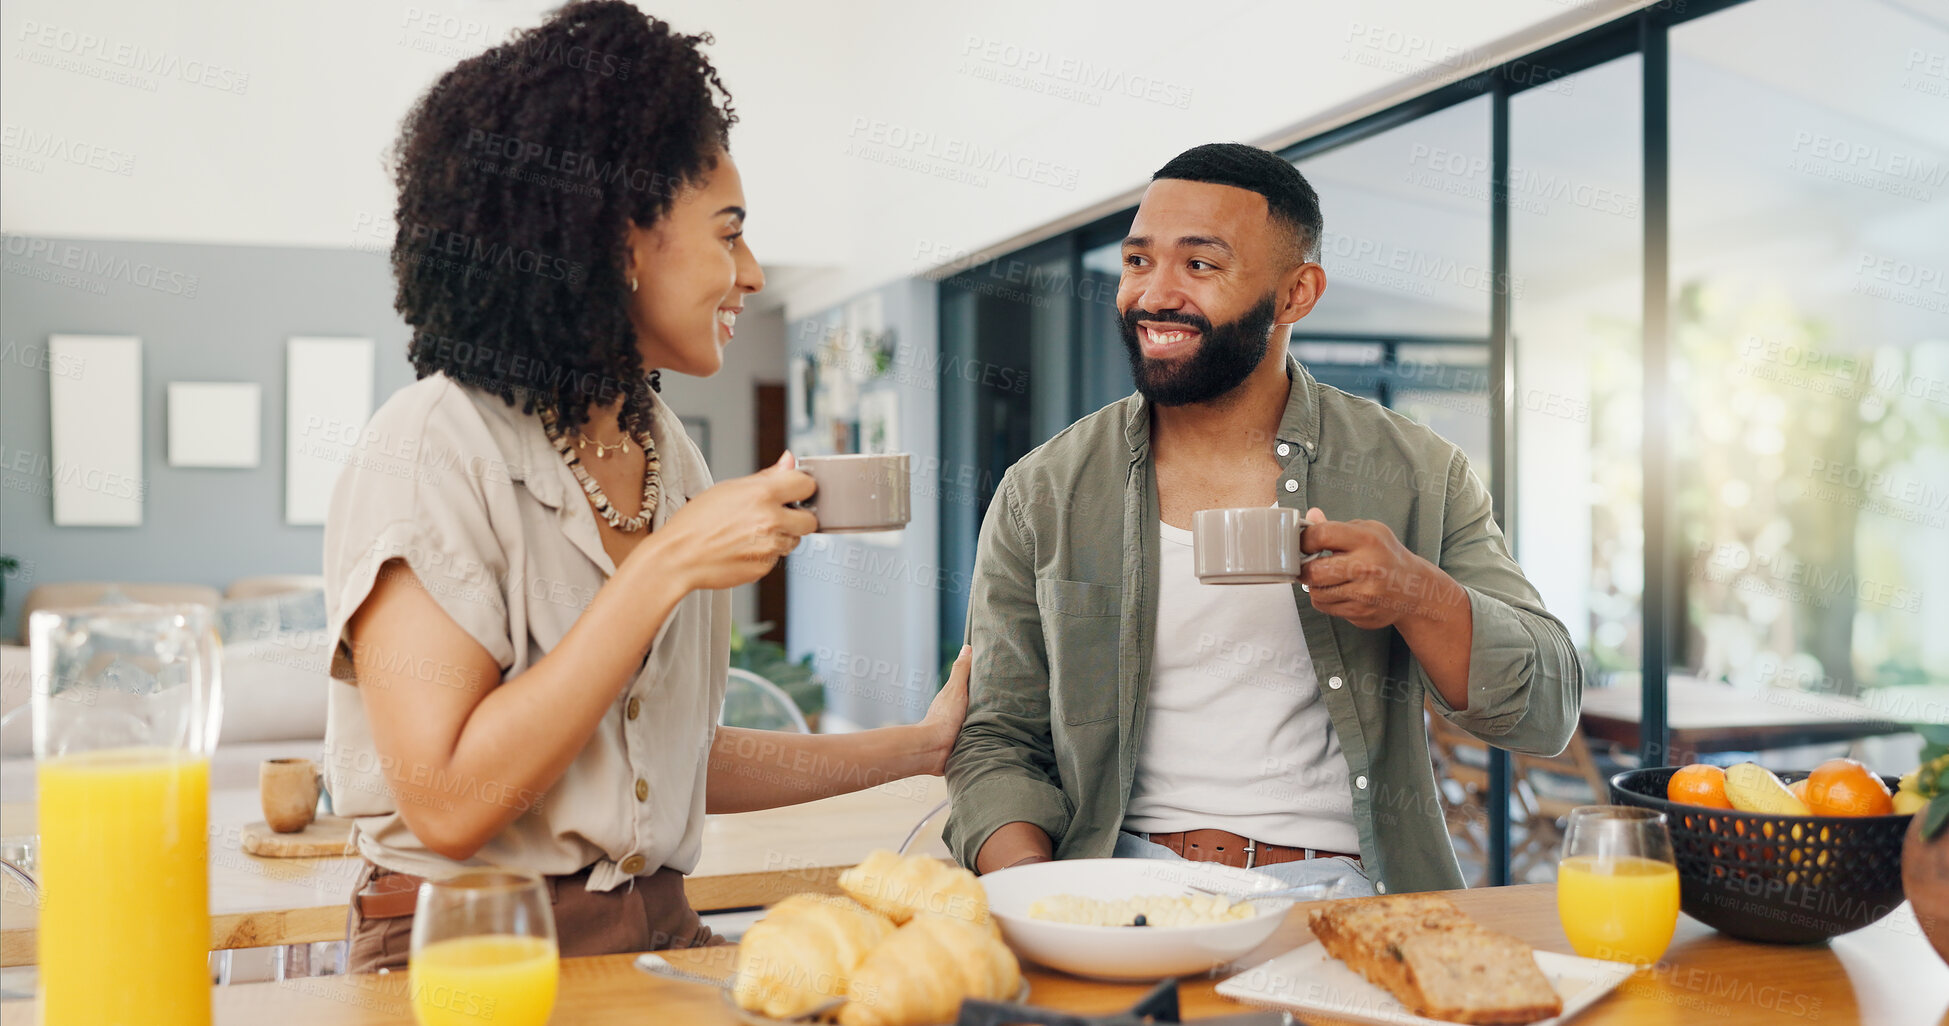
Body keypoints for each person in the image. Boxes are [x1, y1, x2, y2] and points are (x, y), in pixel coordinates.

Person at [322, 1, 967, 973]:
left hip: (655, 932)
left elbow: (666, 766)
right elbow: (446, 801)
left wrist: (919, 746)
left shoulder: (667, 452)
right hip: (469, 957)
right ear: (621, 241)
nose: (749, 274)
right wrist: (664, 566)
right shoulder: (430, 447)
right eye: (729, 233)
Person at [944, 143, 1581, 896]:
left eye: (1200, 266)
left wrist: (1416, 594)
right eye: (1138, 261)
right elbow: (996, 737)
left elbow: (1546, 710)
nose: (1153, 295)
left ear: (1294, 294)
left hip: (1339, 890)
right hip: (1116, 885)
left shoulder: (1417, 470)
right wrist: (1037, 890)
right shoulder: (1041, 491)